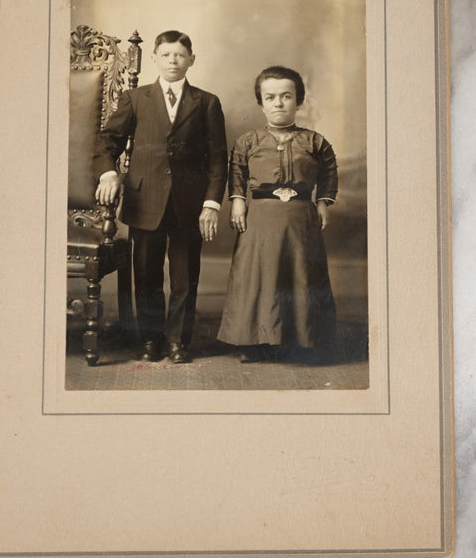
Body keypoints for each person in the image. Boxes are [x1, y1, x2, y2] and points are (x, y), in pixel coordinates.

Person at [94, 30, 227, 364]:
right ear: (154, 58)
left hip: (189, 204)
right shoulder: (136, 98)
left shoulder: (207, 102)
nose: (173, 61)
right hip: (145, 200)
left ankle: (177, 342)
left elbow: (217, 159)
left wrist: (211, 203)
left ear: (191, 60)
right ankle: (151, 339)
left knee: (185, 277)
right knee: (147, 276)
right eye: (166, 55)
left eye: (180, 55)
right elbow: (106, 141)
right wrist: (109, 173)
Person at [217, 65, 338, 364]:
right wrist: (237, 201)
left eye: (286, 96)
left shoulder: (315, 142)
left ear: (299, 101)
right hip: (260, 220)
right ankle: (254, 341)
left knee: (298, 275)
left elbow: (328, 174)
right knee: (259, 276)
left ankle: (302, 341)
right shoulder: (248, 142)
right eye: (270, 97)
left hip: (299, 220)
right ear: (260, 102)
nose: (278, 103)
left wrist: (323, 202)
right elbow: (237, 174)